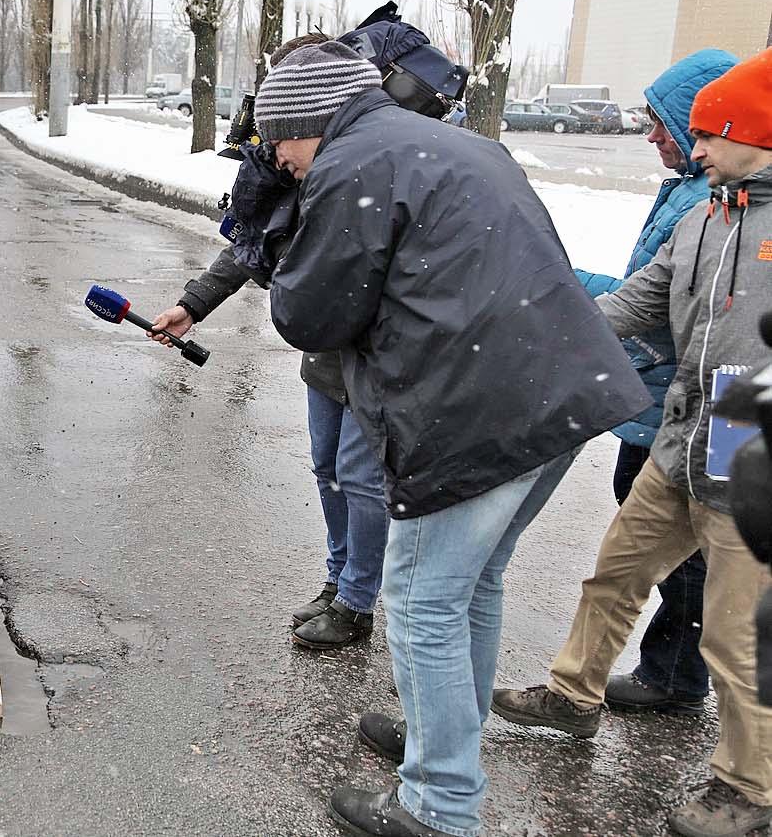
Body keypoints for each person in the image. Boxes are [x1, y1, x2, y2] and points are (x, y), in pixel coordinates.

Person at [259, 41, 649, 837]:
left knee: (422, 600)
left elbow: (307, 315)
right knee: (471, 584)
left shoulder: (350, 166)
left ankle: (438, 802)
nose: (277, 159)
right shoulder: (457, 144)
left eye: (278, 142)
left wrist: (275, 229)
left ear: (306, 123)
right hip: (557, 393)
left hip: (474, 410)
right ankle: (445, 738)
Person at [492, 48, 772, 837]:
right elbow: (638, 301)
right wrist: (546, 326)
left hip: (752, 439)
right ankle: (571, 694)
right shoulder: (704, 216)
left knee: (735, 630)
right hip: (682, 433)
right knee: (614, 573)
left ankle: (748, 787)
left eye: (708, 135)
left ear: (752, 133)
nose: (695, 148)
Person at [152, 19, 467, 651]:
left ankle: (356, 600)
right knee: (329, 468)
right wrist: (194, 304)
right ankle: (337, 580)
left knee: (360, 475)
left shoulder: (361, 165)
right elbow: (258, 241)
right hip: (327, 350)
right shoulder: (291, 164)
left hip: (380, 353)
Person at [572, 49, 736, 714]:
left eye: (665, 123)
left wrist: (563, 288)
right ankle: (579, 687)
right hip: (672, 399)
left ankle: (676, 677)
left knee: (698, 554)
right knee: (631, 552)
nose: (655, 137)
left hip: (711, 410)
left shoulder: (724, 207)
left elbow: (676, 310)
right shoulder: (699, 198)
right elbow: (650, 293)